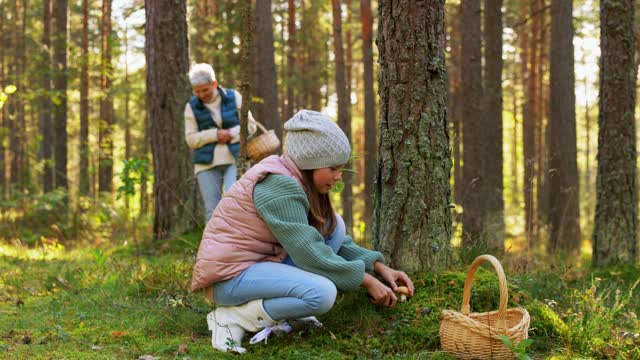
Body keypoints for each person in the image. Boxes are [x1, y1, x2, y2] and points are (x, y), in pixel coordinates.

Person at [191, 110, 415, 353]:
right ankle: (234, 317)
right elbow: (308, 252)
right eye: (332, 168)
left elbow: (327, 240)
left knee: (335, 226)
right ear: (311, 162)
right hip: (229, 279)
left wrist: (379, 267)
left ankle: (286, 314)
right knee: (321, 293)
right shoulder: (278, 184)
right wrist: (367, 280)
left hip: (260, 263)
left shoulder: (296, 177)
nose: (338, 176)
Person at [185, 63, 257, 222]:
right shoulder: (191, 106)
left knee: (236, 204)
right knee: (213, 211)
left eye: (205, 89)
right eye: (197, 91)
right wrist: (215, 135)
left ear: (214, 84)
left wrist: (231, 133)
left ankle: (239, 245)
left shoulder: (233, 96)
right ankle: (213, 247)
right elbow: (190, 139)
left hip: (235, 159)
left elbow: (251, 126)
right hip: (206, 164)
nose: (201, 94)